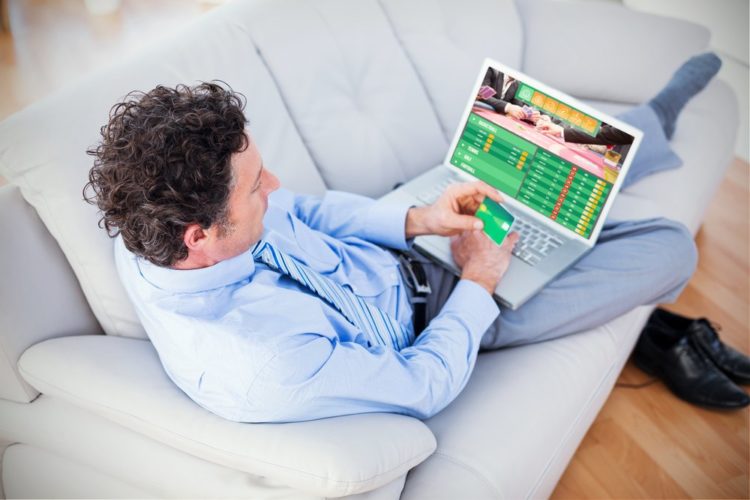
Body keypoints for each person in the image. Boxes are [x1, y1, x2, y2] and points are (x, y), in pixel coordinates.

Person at [84, 53, 743, 424]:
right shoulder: (263, 364)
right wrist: (481, 281)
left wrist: (417, 219)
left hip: (394, 241)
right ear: (200, 236)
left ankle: (648, 124)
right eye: (257, 185)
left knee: (530, 168)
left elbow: (309, 213)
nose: (275, 185)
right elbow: (421, 383)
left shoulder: (148, 228)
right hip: (450, 313)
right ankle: (660, 334)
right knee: (668, 246)